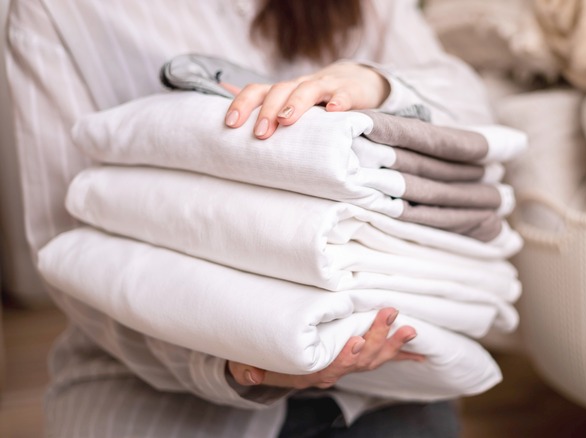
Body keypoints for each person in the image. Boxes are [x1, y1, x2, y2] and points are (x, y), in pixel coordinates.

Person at [5, 0, 493, 436]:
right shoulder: (60, 10)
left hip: (383, 381)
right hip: (151, 388)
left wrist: (374, 83)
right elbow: (68, 248)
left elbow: (474, 109)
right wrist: (230, 361)